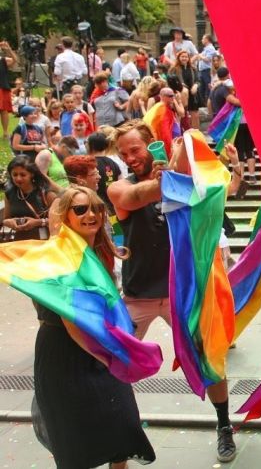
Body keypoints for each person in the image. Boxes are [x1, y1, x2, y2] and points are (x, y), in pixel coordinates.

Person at [107, 121, 237, 462]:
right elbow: (140, 196)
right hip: (139, 296)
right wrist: (174, 169)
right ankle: (120, 439)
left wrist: (185, 153)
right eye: (123, 154)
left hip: (185, 294)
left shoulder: (181, 176)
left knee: (209, 360)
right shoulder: (119, 188)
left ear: (152, 144)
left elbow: (213, 185)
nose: (130, 158)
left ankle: (224, 426)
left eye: (135, 150)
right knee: (114, 364)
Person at [29, 186, 155, 469]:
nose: (91, 214)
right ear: (66, 216)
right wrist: (111, 357)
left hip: (98, 345)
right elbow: (73, 321)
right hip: (66, 352)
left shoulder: (99, 251)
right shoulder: (61, 255)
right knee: (75, 441)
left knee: (122, 427)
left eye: (96, 208)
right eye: (80, 209)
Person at [2, 156, 54, 241]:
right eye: (15, 175)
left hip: (44, 242)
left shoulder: (45, 193)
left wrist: (38, 222)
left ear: (32, 174)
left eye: (23, 175)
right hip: (19, 242)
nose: (18, 178)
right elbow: (6, 219)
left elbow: (60, 220)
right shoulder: (9, 193)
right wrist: (9, 222)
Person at [0, 40, 18, 139]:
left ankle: (6, 132)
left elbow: (15, 60)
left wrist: (9, 49)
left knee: (4, 111)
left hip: (2, 87)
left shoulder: (3, 60)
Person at [198, 34, 217, 106]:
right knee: (202, 88)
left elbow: (207, 59)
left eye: (203, 38)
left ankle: (209, 103)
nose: (202, 40)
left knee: (208, 87)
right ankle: (204, 103)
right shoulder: (206, 49)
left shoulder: (210, 48)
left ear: (207, 39)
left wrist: (200, 56)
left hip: (207, 70)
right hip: (203, 71)